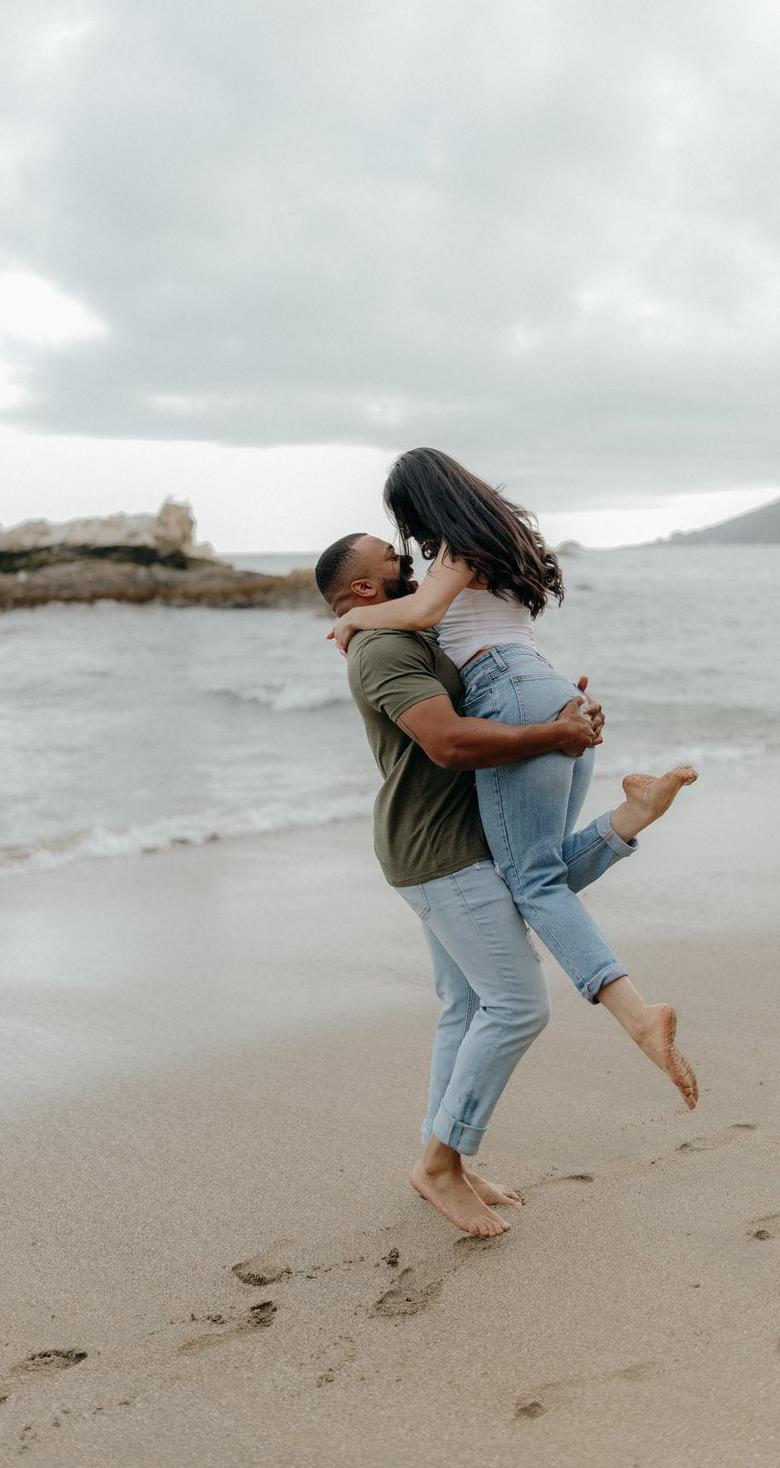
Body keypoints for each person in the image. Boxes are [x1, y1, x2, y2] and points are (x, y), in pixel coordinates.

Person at [315, 532, 693, 1240]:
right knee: (517, 1005)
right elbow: (450, 743)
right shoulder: (383, 649)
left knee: (465, 1003)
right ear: (362, 590)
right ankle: (437, 1164)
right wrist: (551, 738)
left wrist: (558, 719)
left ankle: (448, 1162)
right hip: (438, 855)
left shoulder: (404, 632)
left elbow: (481, 713)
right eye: (391, 560)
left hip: (461, 842)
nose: (410, 563)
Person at [329, 449, 698, 1108]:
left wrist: (354, 617)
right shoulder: (502, 536)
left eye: (403, 523)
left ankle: (639, 1016)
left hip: (509, 693)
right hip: (548, 685)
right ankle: (627, 821)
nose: (406, 544)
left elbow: (418, 616)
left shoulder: (455, 549)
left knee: (529, 879)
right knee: (540, 871)